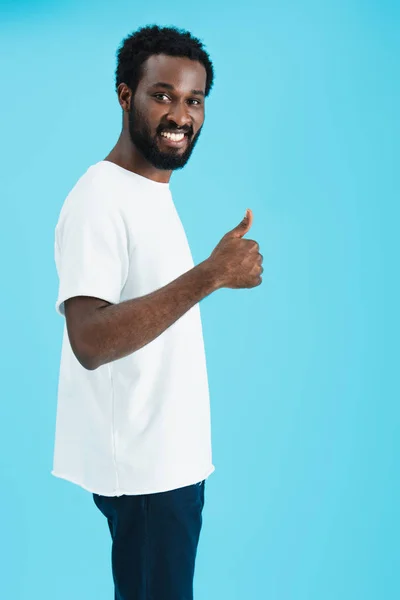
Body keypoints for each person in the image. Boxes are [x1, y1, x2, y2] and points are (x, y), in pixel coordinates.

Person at [52, 24, 263, 600]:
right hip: (146, 474)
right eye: (163, 95)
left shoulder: (150, 191)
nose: (181, 114)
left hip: (171, 465)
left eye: (195, 100)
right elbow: (89, 339)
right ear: (126, 96)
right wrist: (211, 274)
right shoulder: (100, 197)